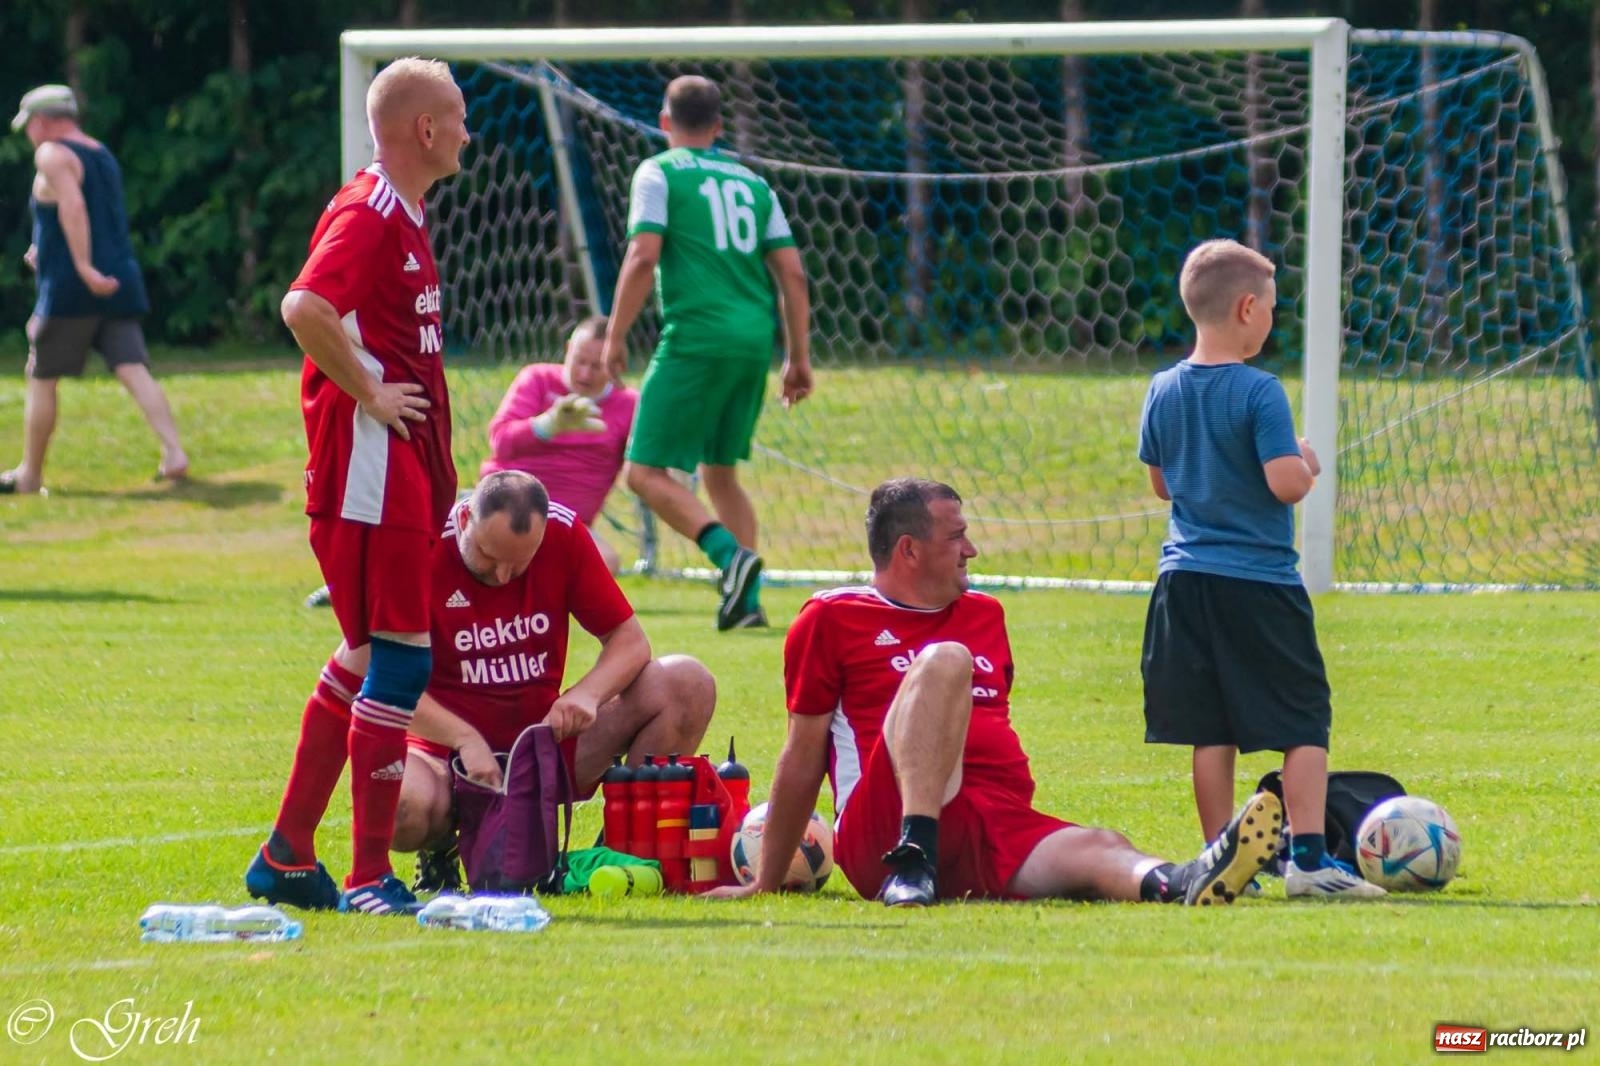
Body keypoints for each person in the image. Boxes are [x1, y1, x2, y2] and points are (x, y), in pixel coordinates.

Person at [712, 477, 1282, 907]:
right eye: (957, 537)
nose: (971, 551)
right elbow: (803, 751)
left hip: (991, 819)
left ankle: (1186, 880)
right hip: (883, 835)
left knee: (1102, 845)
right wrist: (766, 878)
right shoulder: (832, 617)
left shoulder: (986, 613)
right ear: (908, 550)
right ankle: (915, 860)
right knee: (945, 661)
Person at [246, 57, 471, 916]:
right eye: (454, 117)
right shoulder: (373, 209)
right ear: (424, 130)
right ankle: (373, 874)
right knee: (401, 656)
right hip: (370, 472)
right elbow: (304, 306)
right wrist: (370, 392)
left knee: (370, 655)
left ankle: (288, 854)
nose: (463, 132)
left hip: (396, 471)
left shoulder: (402, 210)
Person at [1137, 238, 1384, 900]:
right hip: (1258, 584)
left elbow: (1163, 486)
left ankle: (1222, 861)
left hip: (1182, 584)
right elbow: (1285, 486)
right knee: (1304, 719)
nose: (1273, 320)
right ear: (1248, 308)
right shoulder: (1260, 391)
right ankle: (1308, 862)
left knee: (1209, 729)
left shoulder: (1161, 389)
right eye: (1272, 309)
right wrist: (1304, 459)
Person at [389, 470, 716, 888]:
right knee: (400, 808)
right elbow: (389, 682)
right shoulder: (423, 547)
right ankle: (440, 852)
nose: (504, 576)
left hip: (544, 743)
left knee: (688, 681)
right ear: (466, 518)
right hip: (443, 754)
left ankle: (620, 849)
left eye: (520, 563)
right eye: (489, 557)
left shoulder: (563, 532)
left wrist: (587, 695)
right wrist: (464, 739)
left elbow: (630, 642)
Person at [600, 74, 813, 632]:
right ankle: (746, 603)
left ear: (665, 121)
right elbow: (792, 271)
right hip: (753, 342)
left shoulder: (658, 171)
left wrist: (615, 335)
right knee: (721, 474)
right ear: (718, 127)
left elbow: (644, 256)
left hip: (696, 337)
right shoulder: (752, 182)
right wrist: (799, 357)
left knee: (643, 473)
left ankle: (730, 557)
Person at [2, 84, 187, 494]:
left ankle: (29, 475)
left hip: (73, 289)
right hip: (119, 279)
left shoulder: (51, 153)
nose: (30, 135)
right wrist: (44, 248)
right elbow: (91, 216)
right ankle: (174, 452)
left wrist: (83, 268)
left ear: (42, 122)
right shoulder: (100, 154)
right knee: (132, 366)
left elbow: (73, 207)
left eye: (30, 125)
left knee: (42, 375)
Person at [479, 315, 638, 573]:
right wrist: (548, 424)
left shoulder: (629, 405)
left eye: (596, 366)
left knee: (604, 563)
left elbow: (643, 465)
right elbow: (501, 440)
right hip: (503, 503)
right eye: (579, 361)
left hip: (566, 521)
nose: (585, 373)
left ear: (616, 365)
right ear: (567, 350)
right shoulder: (537, 379)